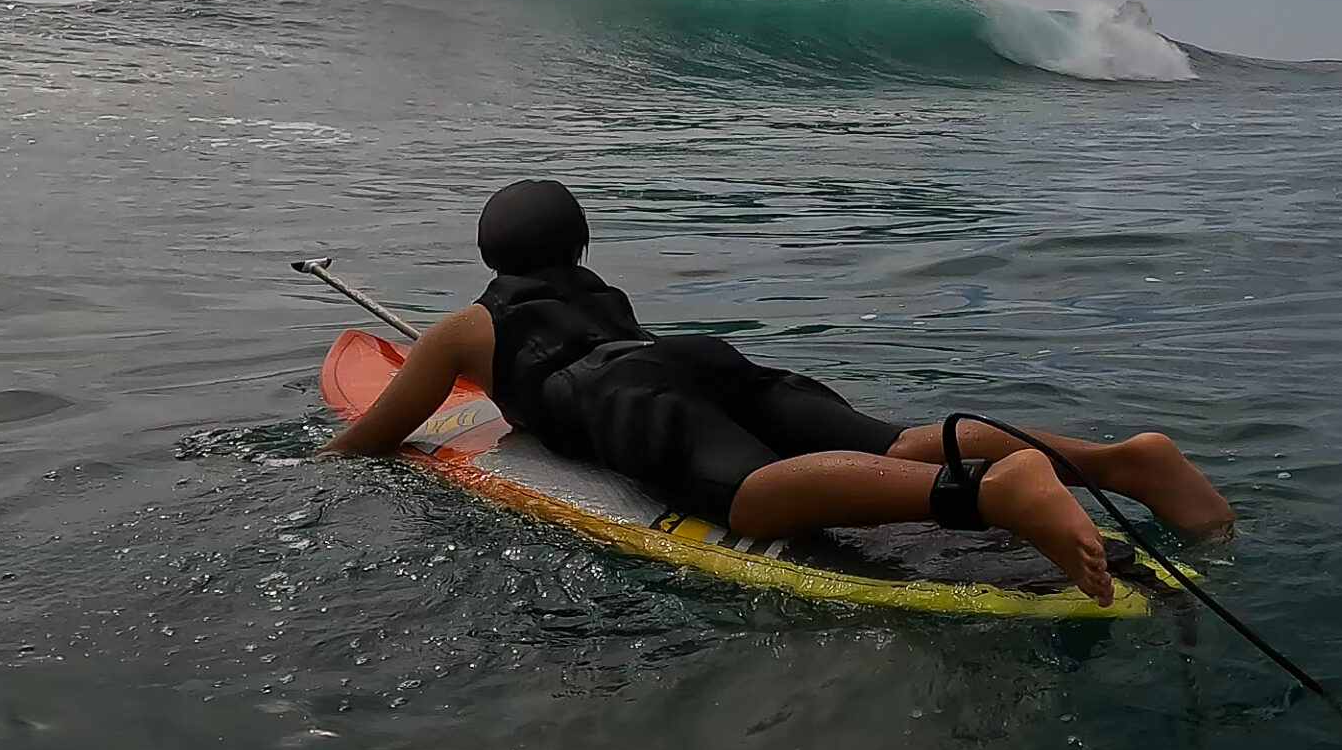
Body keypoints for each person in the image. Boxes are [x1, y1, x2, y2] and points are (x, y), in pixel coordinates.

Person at [326, 180, 1235, 604]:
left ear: (489, 256)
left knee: (755, 497)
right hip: (702, 358)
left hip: (631, 401)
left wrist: (326, 454)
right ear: (580, 246)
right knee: (891, 439)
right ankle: (1119, 461)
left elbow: (378, 434)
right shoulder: (607, 295)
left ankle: (995, 494)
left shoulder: (464, 327)